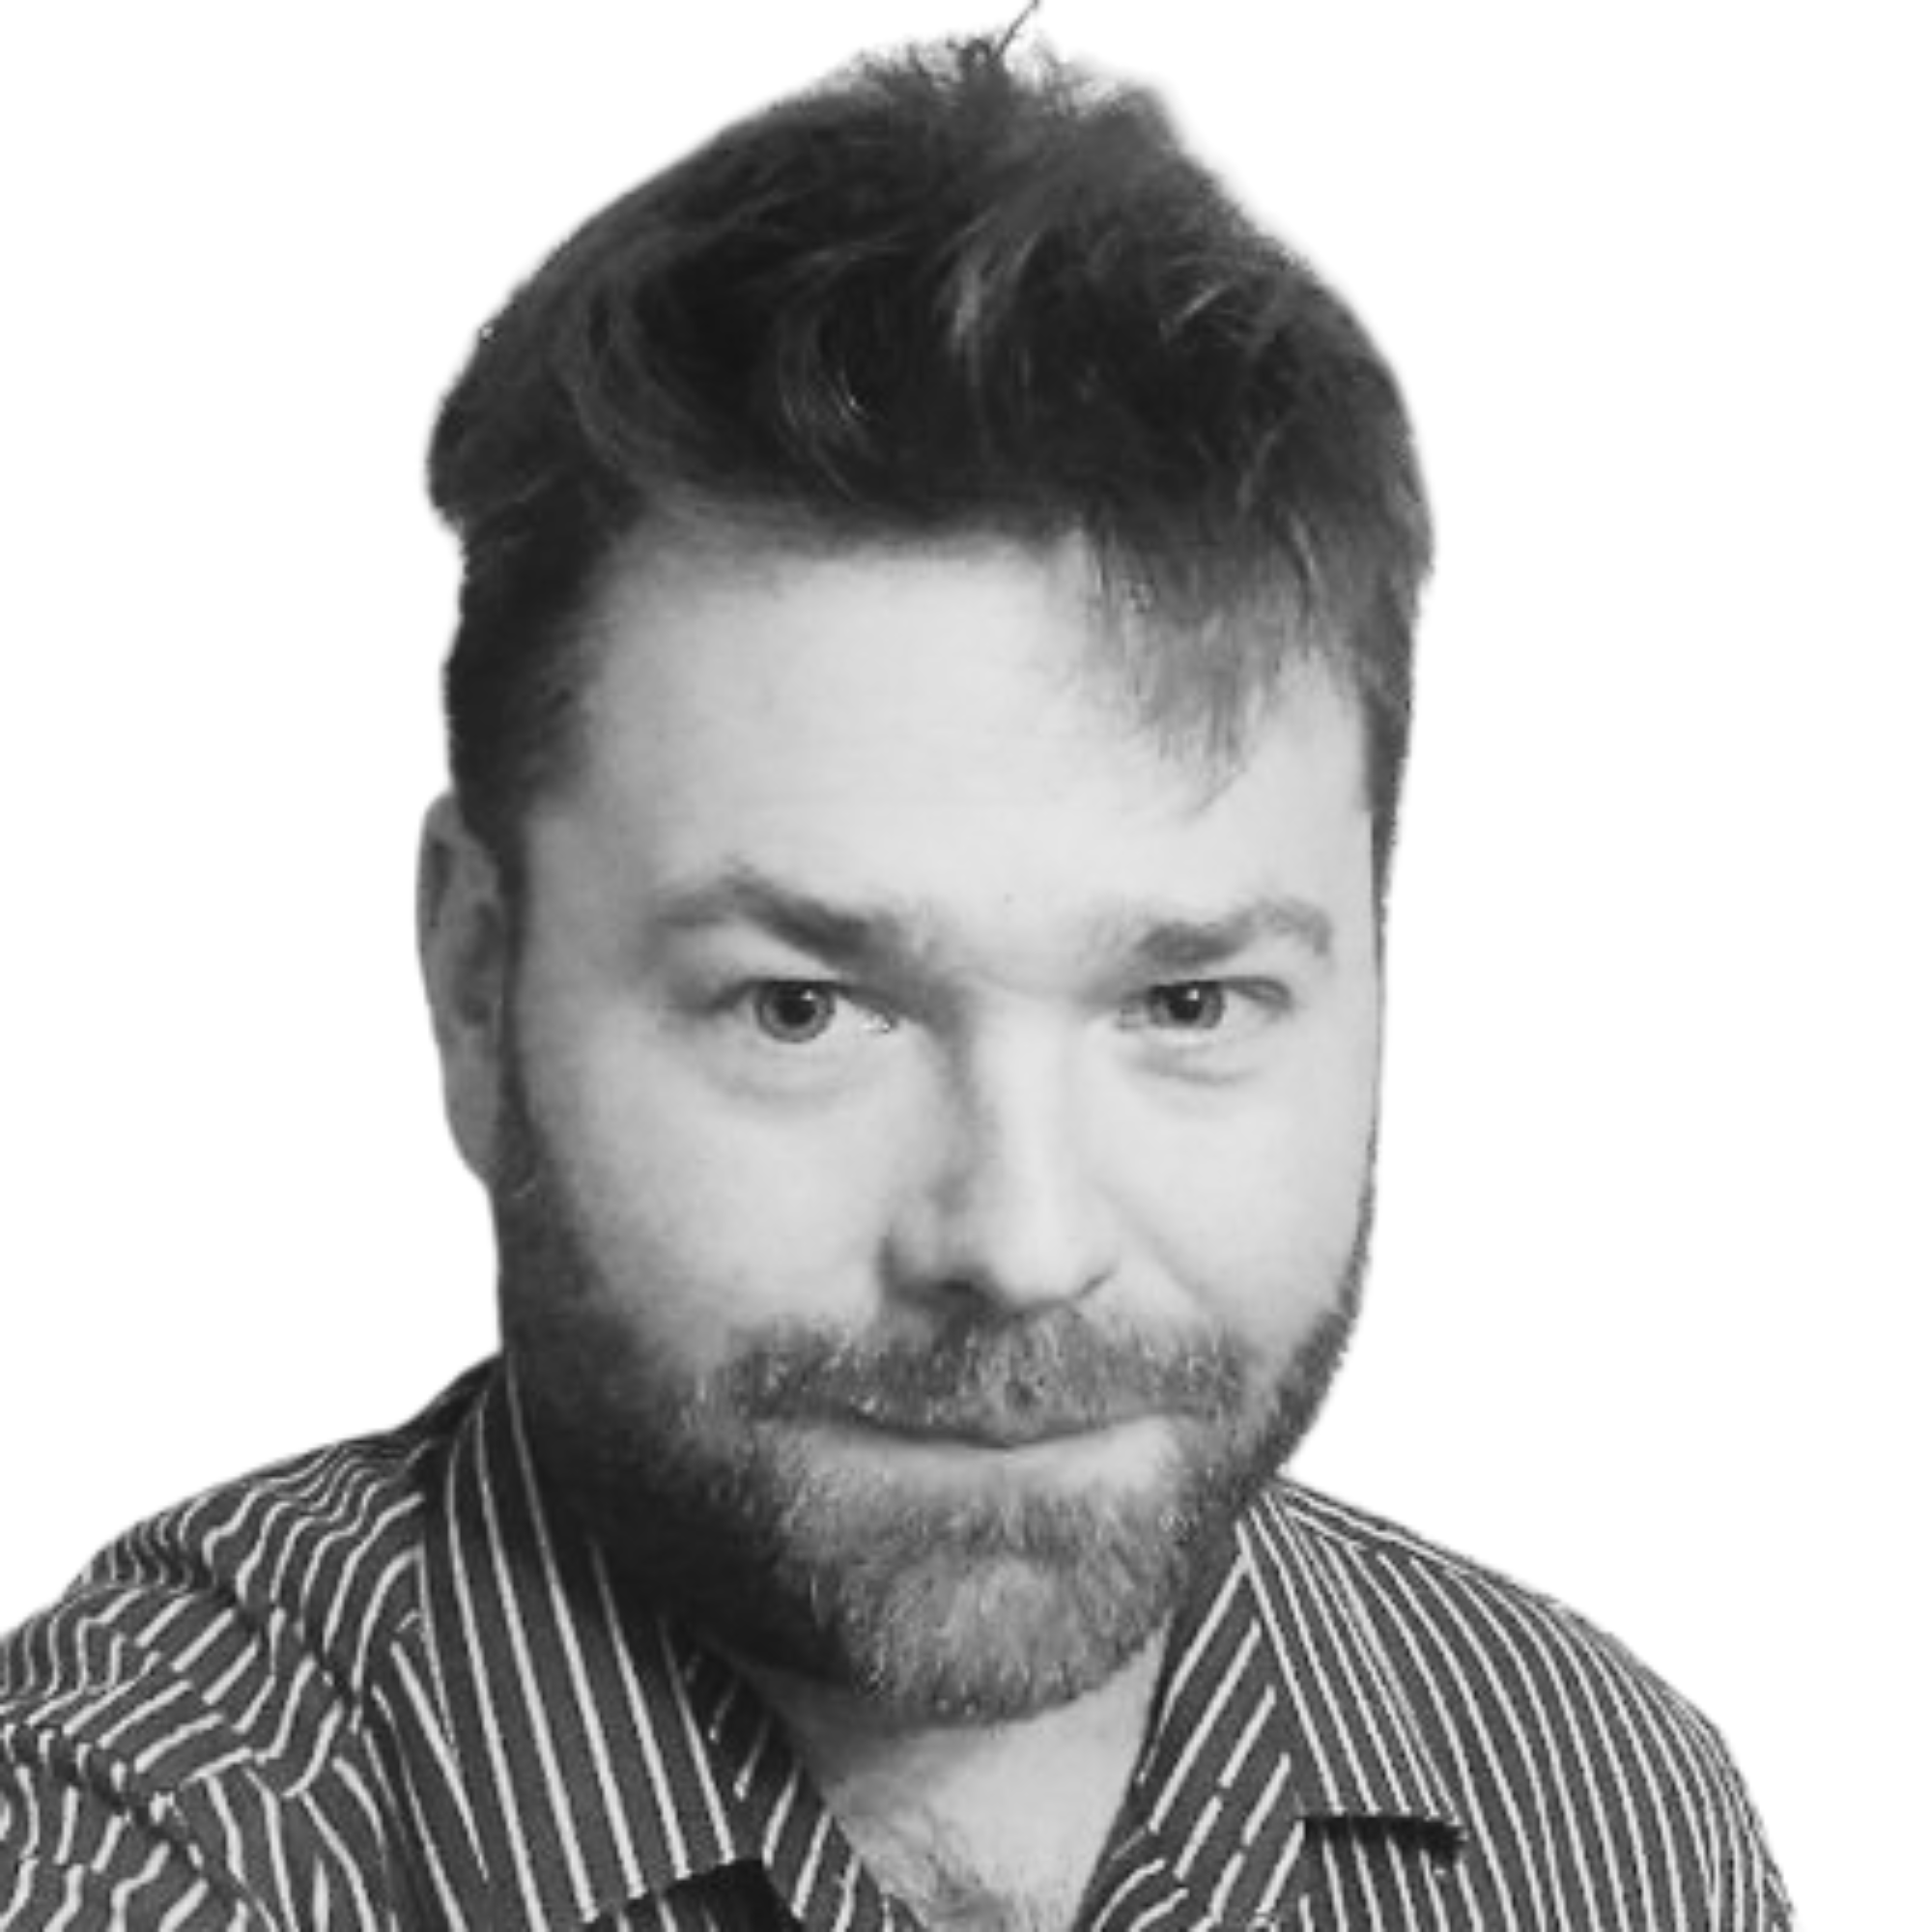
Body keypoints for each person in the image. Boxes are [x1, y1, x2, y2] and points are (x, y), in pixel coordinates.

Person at [0, 30, 1791, 1932]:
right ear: (473, 978)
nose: (1016, 1242)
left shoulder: (1599, 1808)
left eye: (1183, 1004)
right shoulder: (148, 1853)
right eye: (801, 1005)